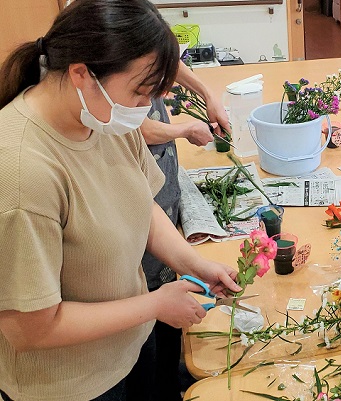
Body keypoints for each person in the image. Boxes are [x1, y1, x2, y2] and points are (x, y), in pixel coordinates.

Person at [0, 1, 240, 400]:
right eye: (140, 92)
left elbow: (140, 201)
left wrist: (194, 262)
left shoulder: (104, 117)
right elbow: (31, 329)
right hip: (71, 385)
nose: (146, 109)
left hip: (127, 346)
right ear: (81, 74)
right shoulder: (23, 173)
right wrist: (154, 305)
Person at [141, 62, 229, 401]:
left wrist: (208, 94)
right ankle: (155, 379)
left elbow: (147, 212)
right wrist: (182, 130)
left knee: (166, 290)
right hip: (91, 367)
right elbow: (139, 129)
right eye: (145, 92)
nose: (158, 97)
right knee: (147, 338)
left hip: (157, 215)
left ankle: (167, 373)